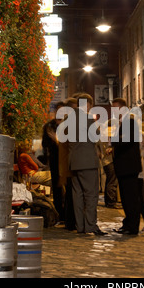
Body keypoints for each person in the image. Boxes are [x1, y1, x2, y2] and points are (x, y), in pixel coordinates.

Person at [68, 93, 107, 235]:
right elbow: (96, 137)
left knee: (77, 195)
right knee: (91, 195)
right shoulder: (88, 119)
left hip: (74, 162)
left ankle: (80, 226)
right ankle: (90, 226)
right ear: (88, 105)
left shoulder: (70, 119)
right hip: (88, 162)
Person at [111, 98, 143, 235]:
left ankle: (132, 226)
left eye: (115, 108)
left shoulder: (129, 122)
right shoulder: (123, 122)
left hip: (129, 167)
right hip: (125, 167)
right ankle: (128, 223)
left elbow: (127, 140)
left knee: (130, 198)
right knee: (125, 197)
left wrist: (113, 141)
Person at [42, 101, 66, 223]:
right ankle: (59, 214)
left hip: (66, 160)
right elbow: (44, 144)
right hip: (55, 159)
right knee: (57, 187)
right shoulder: (49, 126)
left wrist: (56, 138)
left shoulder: (69, 125)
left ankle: (67, 214)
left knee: (67, 187)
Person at [58, 97, 77, 230]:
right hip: (70, 164)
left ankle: (70, 221)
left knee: (71, 194)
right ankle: (71, 221)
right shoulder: (69, 123)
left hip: (68, 164)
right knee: (71, 194)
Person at [97, 121, 118, 208]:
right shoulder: (108, 135)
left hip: (105, 161)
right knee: (111, 182)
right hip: (109, 161)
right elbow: (109, 147)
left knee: (109, 181)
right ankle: (111, 202)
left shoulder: (101, 135)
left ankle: (109, 201)